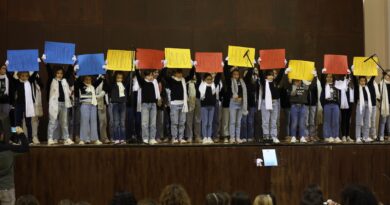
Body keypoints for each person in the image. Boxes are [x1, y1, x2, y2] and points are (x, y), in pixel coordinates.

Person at [161, 65, 195, 144]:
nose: (180, 75)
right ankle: (174, 137)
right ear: (175, 74)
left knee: (182, 122)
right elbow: (163, 75)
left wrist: (192, 66)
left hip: (183, 104)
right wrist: (165, 65)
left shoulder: (183, 80)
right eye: (178, 73)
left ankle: (181, 137)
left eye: (181, 73)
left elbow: (190, 75)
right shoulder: (171, 80)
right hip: (174, 104)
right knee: (174, 122)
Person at [285, 68, 317, 143]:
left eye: (299, 80)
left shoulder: (305, 86)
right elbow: (286, 84)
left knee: (302, 123)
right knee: (294, 123)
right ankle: (293, 136)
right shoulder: (292, 86)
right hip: (294, 106)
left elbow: (312, 86)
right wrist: (286, 74)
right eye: (296, 80)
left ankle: (302, 136)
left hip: (303, 106)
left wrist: (314, 76)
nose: (298, 82)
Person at [46, 64, 74, 145]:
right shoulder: (52, 80)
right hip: (55, 104)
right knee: (52, 121)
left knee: (64, 122)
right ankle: (50, 138)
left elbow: (68, 73)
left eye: (61, 73)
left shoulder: (64, 81)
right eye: (58, 73)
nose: (59, 75)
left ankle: (66, 138)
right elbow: (49, 72)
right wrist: (47, 64)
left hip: (64, 104)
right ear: (55, 73)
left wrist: (71, 65)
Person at [0, 127, 29, 205]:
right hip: (7, 188)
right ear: (2, 135)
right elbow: (25, 147)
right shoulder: (9, 149)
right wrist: (21, 134)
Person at [223, 61, 249, 144]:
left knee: (238, 122)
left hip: (241, 103)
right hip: (233, 103)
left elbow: (248, 75)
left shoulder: (242, 81)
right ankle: (232, 138)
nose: (236, 76)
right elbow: (226, 73)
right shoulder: (230, 81)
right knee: (233, 121)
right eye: (234, 74)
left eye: (237, 74)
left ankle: (238, 137)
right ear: (232, 75)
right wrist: (226, 63)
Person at [10, 71, 38, 144]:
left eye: (26, 76)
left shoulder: (29, 81)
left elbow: (35, 74)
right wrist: (8, 68)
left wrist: (36, 63)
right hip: (18, 105)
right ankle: (16, 139)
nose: (24, 77)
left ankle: (30, 139)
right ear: (19, 76)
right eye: (22, 76)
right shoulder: (16, 82)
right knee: (17, 124)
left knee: (28, 123)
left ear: (28, 76)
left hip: (27, 105)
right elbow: (10, 77)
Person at [258, 68, 285, 143]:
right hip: (265, 102)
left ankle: (273, 136)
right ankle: (266, 136)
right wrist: (259, 65)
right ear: (266, 76)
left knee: (274, 120)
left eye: (272, 75)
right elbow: (260, 74)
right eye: (269, 75)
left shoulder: (275, 82)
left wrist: (283, 66)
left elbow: (280, 75)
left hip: (275, 103)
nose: (271, 76)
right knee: (265, 120)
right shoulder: (264, 82)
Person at [135, 69, 161, 144]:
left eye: (151, 75)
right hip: (145, 105)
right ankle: (145, 138)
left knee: (153, 123)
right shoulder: (142, 82)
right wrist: (136, 68)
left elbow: (162, 75)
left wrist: (164, 66)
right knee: (144, 123)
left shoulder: (154, 82)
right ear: (145, 76)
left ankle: (152, 138)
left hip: (153, 105)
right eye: (149, 76)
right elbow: (138, 76)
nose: (151, 77)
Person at [76, 75, 102, 145]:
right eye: (86, 79)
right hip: (84, 105)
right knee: (84, 122)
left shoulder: (92, 86)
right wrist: (76, 72)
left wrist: (103, 72)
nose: (88, 81)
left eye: (89, 79)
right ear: (83, 80)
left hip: (93, 105)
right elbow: (77, 79)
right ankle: (83, 139)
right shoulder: (81, 85)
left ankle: (95, 139)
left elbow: (100, 80)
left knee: (94, 122)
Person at [199, 73, 221, 144]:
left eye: (210, 79)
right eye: (207, 79)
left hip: (212, 106)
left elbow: (218, 77)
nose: (209, 81)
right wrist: (195, 67)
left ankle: (209, 137)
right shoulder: (202, 85)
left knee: (210, 122)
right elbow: (197, 75)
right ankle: (205, 137)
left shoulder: (214, 85)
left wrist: (221, 67)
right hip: (204, 106)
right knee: (205, 122)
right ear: (204, 79)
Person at [320, 71, 342, 143]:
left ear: (333, 78)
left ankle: (335, 136)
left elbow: (343, 83)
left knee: (335, 121)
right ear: (326, 78)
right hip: (327, 105)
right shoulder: (324, 85)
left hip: (335, 105)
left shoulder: (336, 85)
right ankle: (327, 136)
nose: (329, 78)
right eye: (328, 77)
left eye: (331, 77)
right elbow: (322, 78)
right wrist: (323, 72)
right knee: (327, 121)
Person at [107, 71, 128, 144]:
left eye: (121, 78)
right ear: (115, 78)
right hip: (115, 104)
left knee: (122, 123)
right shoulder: (113, 84)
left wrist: (132, 67)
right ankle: (116, 138)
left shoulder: (124, 84)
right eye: (118, 78)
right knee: (116, 122)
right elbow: (110, 78)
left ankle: (122, 138)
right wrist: (108, 69)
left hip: (123, 104)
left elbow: (128, 78)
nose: (119, 79)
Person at [352, 74, 373, 143]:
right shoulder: (357, 87)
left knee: (366, 121)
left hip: (367, 104)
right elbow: (354, 80)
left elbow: (372, 79)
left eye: (364, 81)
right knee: (358, 121)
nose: (363, 82)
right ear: (359, 81)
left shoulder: (367, 87)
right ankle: (358, 137)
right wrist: (353, 71)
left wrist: (374, 71)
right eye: (361, 81)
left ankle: (365, 137)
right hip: (360, 104)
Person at [378, 71, 390, 142]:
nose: (388, 76)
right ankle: (381, 135)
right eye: (387, 75)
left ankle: (389, 135)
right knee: (383, 121)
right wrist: (381, 102)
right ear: (384, 75)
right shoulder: (381, 84)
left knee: (389, 122)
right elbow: (378, 95)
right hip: (384, 105)